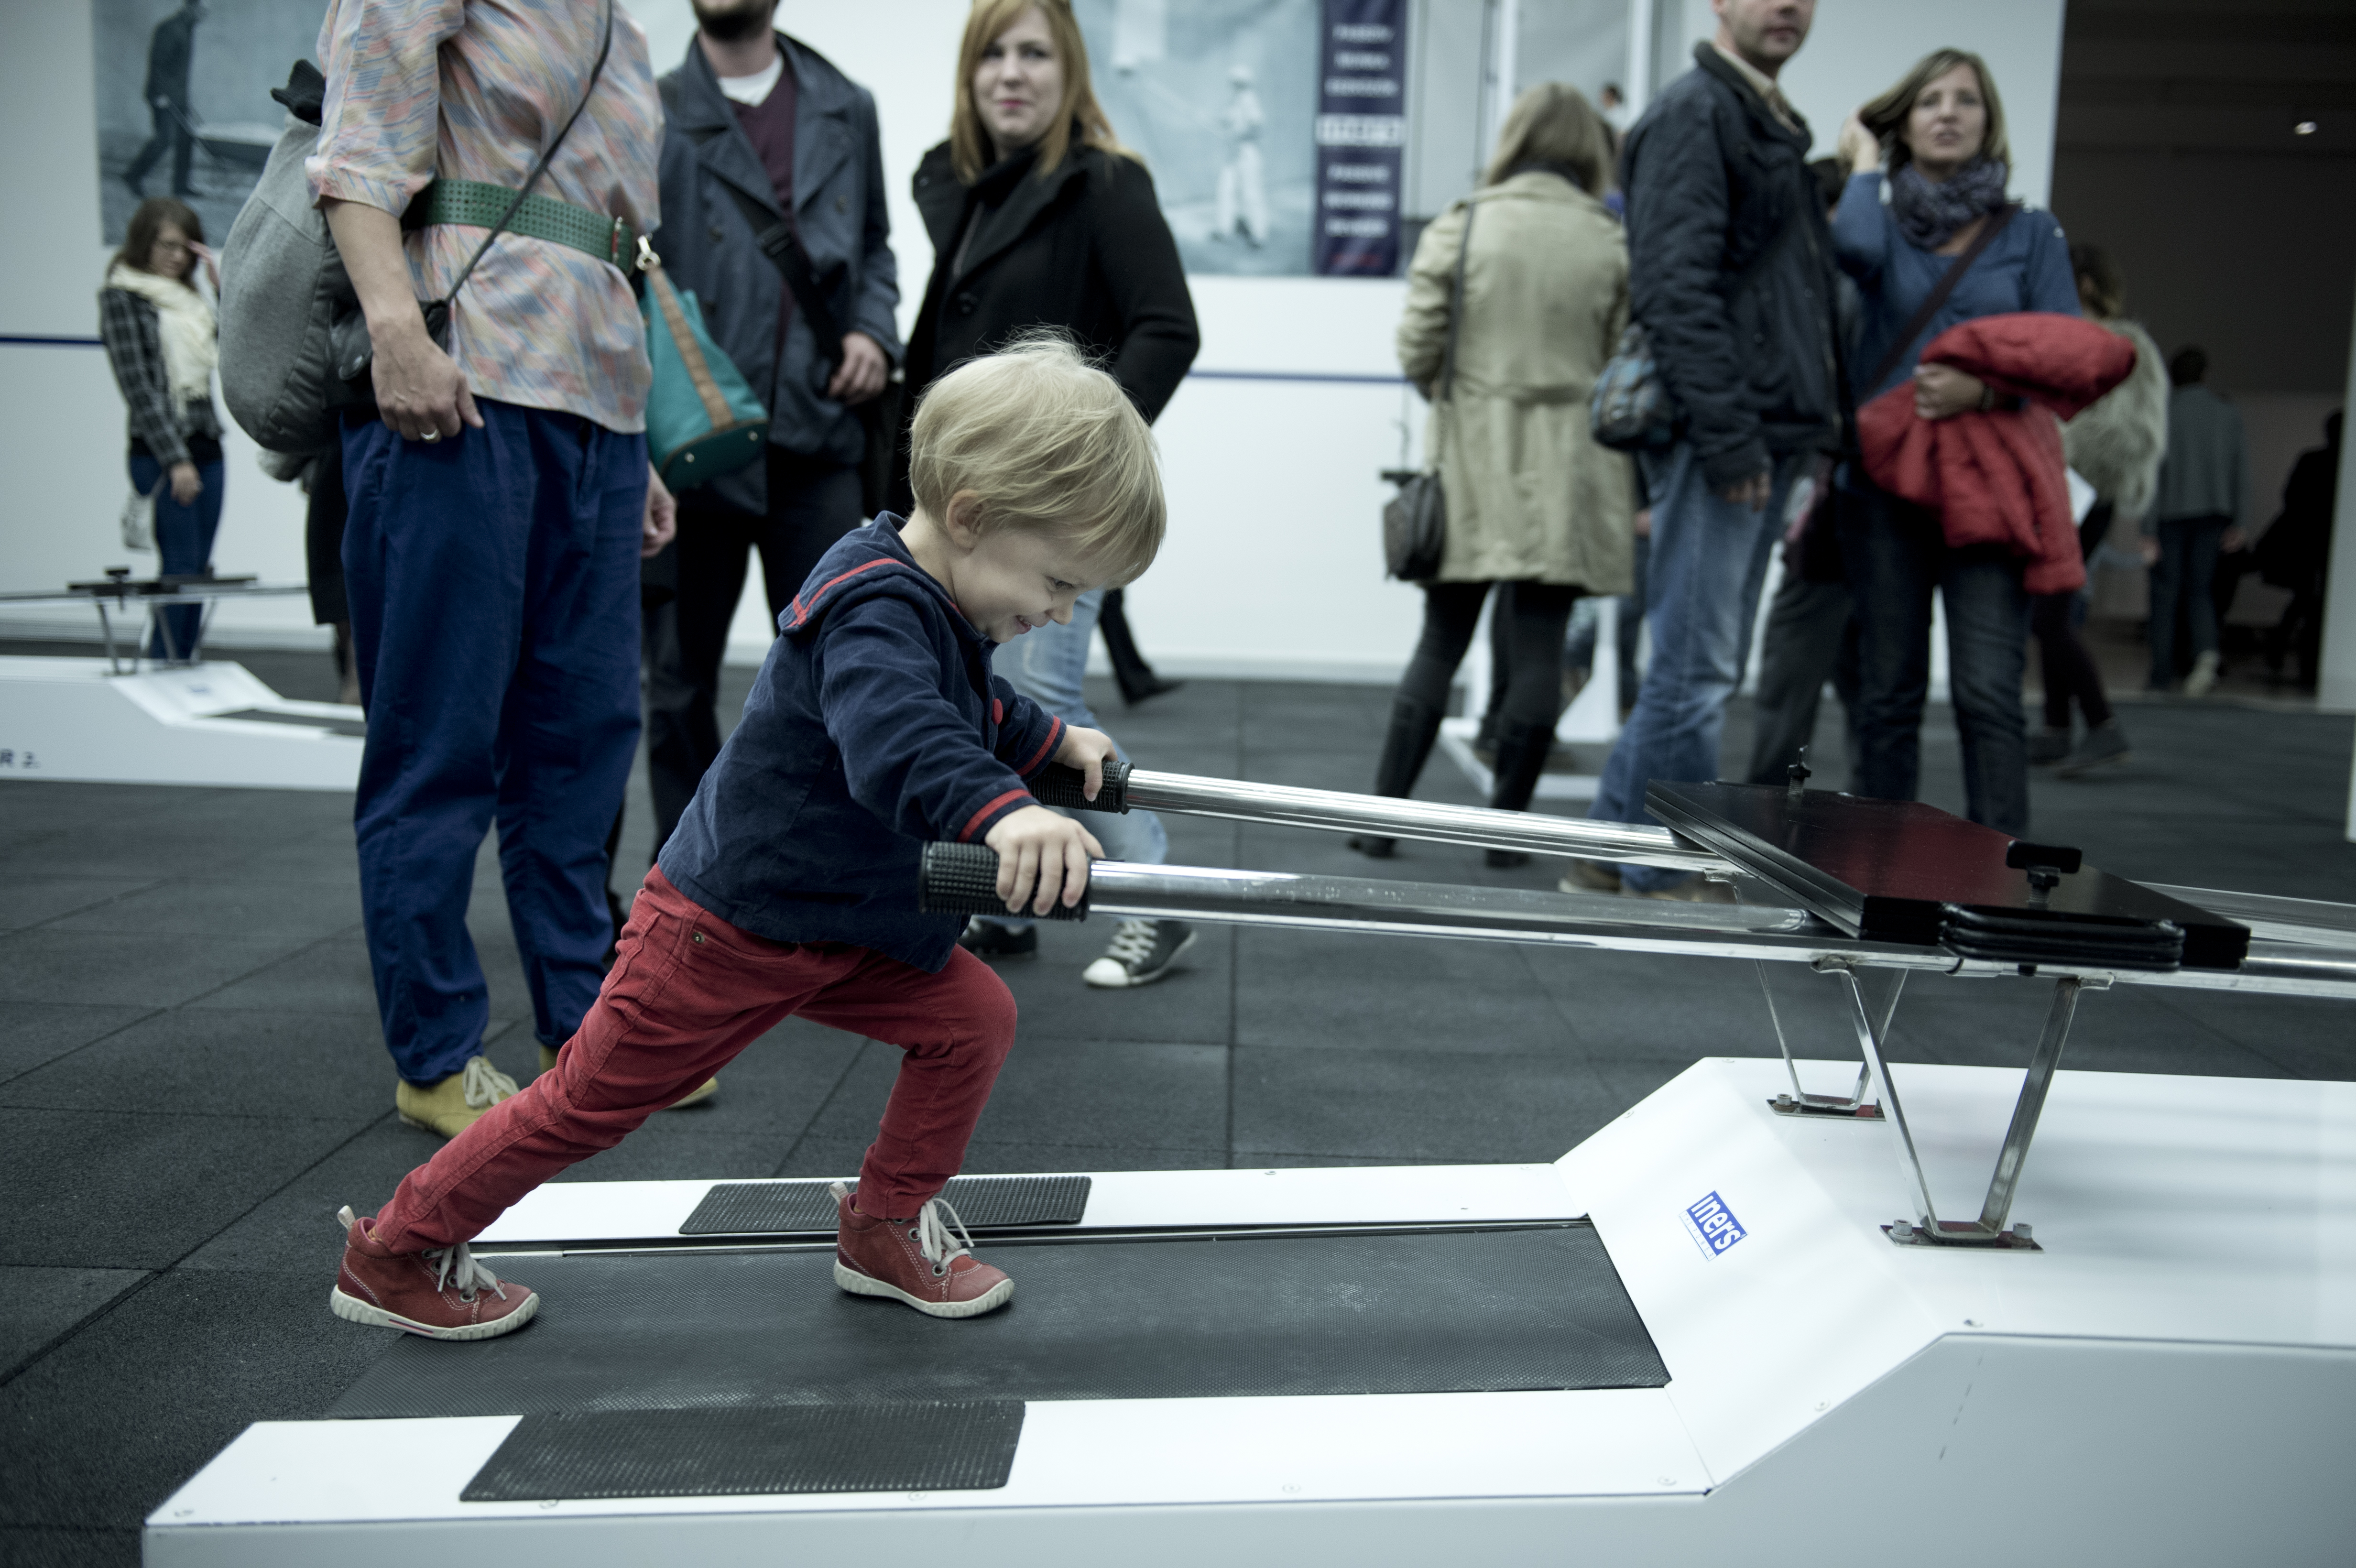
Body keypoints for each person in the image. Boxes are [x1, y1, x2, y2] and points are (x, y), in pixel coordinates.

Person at [327, 338, 1156, 1338]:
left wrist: (1047, 741)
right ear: (975, 515)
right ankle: (395, 1247)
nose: (1061, 611)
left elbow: (967, 703)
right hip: (724, 927)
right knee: (587, 1101)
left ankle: (883, 1223)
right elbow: (900, 738)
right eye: (1059, 582)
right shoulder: (873, 605)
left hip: (838, 920)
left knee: (970, 1016)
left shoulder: (937, 600)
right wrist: (1007, 810)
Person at [312, 0, 678, 1139]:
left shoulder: (625, 28)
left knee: (583, 744)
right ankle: (434, 1051)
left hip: (601, 416)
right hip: (464, 386)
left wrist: (642, 446)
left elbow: (617, 247)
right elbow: (359, 159)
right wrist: (397, 334)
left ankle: (583, 1026)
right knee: (438, 742)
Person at [906, 0, 1201, 988]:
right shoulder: (960, 185)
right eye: (993, 53)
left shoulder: (1104, 185)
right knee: (985, 698)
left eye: (1035, 53)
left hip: (1050, 517)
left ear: (1069, 71)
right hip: (971, 514)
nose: (1012, 73)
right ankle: (1007, 898)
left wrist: (1079, 460)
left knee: (1043, 697)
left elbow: (1168, 326)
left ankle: (1161, 888)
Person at [1577, 0, 1842, 900]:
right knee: (1694, 670)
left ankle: (1603, 850)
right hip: (1723, 433)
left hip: (1757, 428)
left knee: (1692, 666)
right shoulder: (1699, 111)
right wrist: (1731, 442)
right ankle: (1667, 866)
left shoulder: (1761, 119)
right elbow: (1673, 289)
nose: (1787, 4)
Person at [644, 0, 901, 860]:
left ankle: (825, 873)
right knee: (677, 682)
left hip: (815, 432)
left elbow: (874, 247)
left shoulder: (844, 103)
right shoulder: (650, 105)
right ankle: (684, 878)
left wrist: (872, 330)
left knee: (845, 668)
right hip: (698, 440)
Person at [1353, 82, 1633, 870]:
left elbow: (1417, 346)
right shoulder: (1608, 240)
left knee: (1441, 638)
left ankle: (1379, 821)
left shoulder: (1465, 223)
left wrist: (1461, 397)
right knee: (1540, 644)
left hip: (1470, 460)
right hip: (1571, 470)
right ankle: (1506, 836)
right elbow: (1621, 361)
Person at [1830, 48, 2077, 835]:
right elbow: (1855, 253)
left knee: (1985, 693)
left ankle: (1998, 887)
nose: (1946, 113)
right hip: (1882, 488)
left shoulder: (2028, 233)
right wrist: (1865, 161)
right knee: (1888, 692)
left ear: (1987, 120)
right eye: (1928, 100)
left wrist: (1988, 388)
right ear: (1902, 120)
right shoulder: (1873, 217)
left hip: (1986, 486)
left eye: (1964, 100)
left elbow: (2064, 355)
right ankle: (1876, 878)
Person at [2040, 243, 2166, 774]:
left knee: (2048, 611)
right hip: (2055, 489)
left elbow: (2134, 432)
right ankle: (2055, 726)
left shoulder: (2123, 344)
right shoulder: (2063, 338)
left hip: (2084, 492)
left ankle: (2100, 725)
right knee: (2047, 610)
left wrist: (2061, 446)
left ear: (2086, 283)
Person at [99, 196, 223, 662]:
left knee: (200, 569)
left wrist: (220, 290)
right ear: (144, 244)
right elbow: (138, 387)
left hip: (207, 441)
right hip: (160, 450)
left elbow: (233, 357)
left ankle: (183, 660)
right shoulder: (121, 296)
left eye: (185, 248)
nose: (177, 256)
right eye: (166, 245)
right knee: (180, 565)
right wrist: (176, 460)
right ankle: (163, 662)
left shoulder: (194, 302)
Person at [2145, 346, 2247, 697]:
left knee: (2165, 594)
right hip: (2214, 512)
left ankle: (2161, 672)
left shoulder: (2164, 414)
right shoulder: (2227, 414)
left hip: (2171, 513)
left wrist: (2147, 528)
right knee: (2201, 590)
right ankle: (2205, 653)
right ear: (2205, 374)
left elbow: (2154, 474)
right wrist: (2240, 520)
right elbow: (2240, 472)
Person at [2255, 411, 2339, 691]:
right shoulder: (2339, 463)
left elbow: (2291, 497)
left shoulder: (2312, 460)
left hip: (2307, 540)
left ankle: (2285, 650)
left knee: (2305, 599)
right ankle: (2303, 658)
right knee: (2312, 600)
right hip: (2322, 541)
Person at [124, 1, 204, 199]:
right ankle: (133, 176)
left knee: (187, 138)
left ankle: (181, 186)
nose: (204, 16)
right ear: (190, 8)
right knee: (164, 139)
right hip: (163, 96)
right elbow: (158, 63)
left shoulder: (187, 29)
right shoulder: (170, 29)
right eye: (202, 11)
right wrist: (160, 95)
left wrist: (184, 99)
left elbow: (178, 71)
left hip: (178, 96)